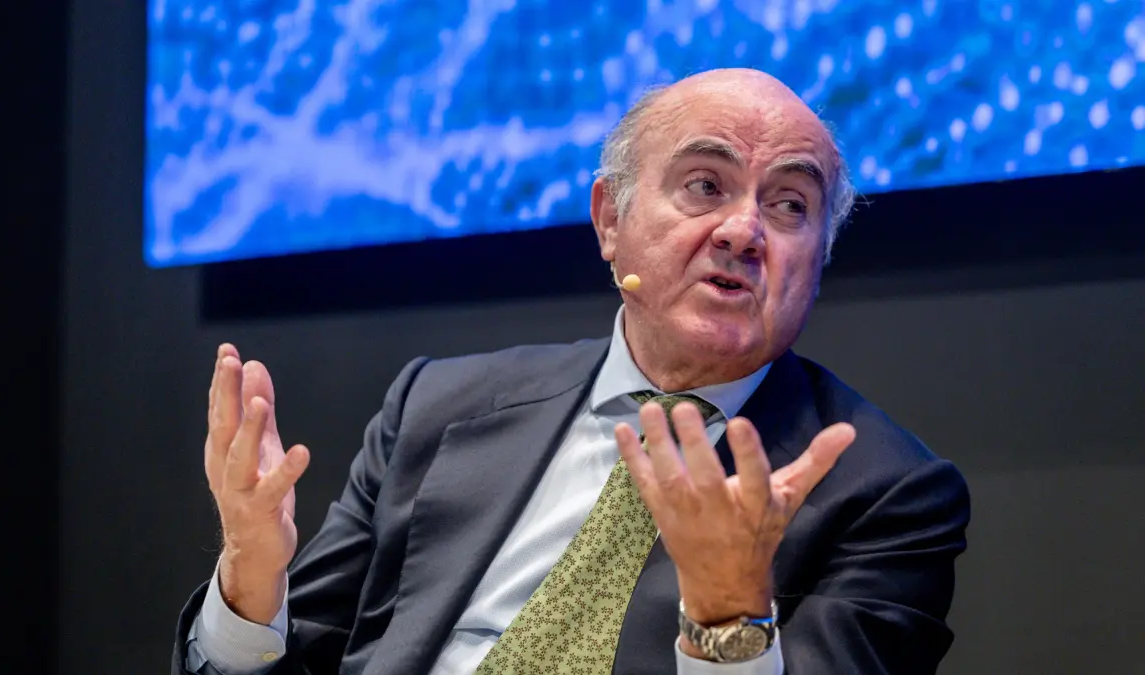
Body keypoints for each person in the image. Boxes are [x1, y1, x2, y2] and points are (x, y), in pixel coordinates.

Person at [173, 68, 970, 675]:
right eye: (705, 185)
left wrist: (729, 619)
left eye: (791, 204)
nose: (743, 230)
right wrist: (250, 576)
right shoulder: (436, 407)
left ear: (820, 258)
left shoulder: (888, 492)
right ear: (609, 219)